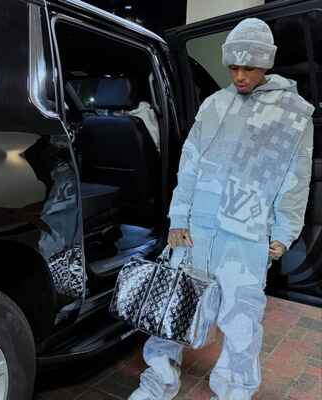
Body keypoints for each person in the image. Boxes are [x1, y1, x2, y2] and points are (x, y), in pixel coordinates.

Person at [129, 18, 314, 400]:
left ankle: (233, 391)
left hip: (246, 233)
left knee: (241, 321)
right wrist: (179, 217)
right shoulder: (214, 104)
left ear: (267, 63)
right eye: (234, 67)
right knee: (174, 303)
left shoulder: (294, 113)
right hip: (196, 228)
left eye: (250, 67)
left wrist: (283, 232)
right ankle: (160, 378)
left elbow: (296, 180)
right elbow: (189, 165)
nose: (240, 76)